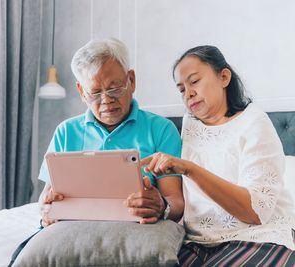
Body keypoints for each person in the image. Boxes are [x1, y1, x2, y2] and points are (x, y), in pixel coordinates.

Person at [141, 45, 295, 266]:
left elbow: (255, 213)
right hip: (197, 241)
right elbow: (179, 200)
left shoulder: (253, 122)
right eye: (181, 89)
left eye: (194, 81)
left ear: (224, 77)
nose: (189, 93)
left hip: (257, 236)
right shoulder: (189, 124)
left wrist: (189, 169)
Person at [38, 38, 184, 227]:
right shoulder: (65, 132)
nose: (106, 100)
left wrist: (161, 206)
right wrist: (45, 208)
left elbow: (177, 203)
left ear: (131, 81)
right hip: (73, 230)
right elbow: (45, 197)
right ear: (82, 92)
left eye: (114, 89)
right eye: (95, 93)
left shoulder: (162, 130)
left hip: (136, 231)